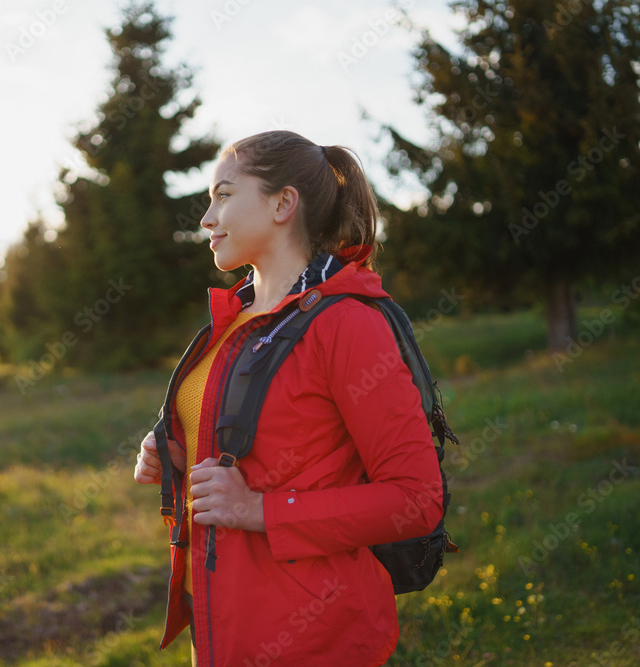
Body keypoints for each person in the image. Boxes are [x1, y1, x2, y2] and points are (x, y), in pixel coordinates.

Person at [134, 130, 444, 666]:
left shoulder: (347, 323)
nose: (206, 219)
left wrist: (256, 509)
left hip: (314, 638)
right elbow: (260, 444)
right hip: (222, 627)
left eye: (224, 195)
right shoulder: (234, 321)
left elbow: (416, 500)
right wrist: (176, 451)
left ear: (283, 203)